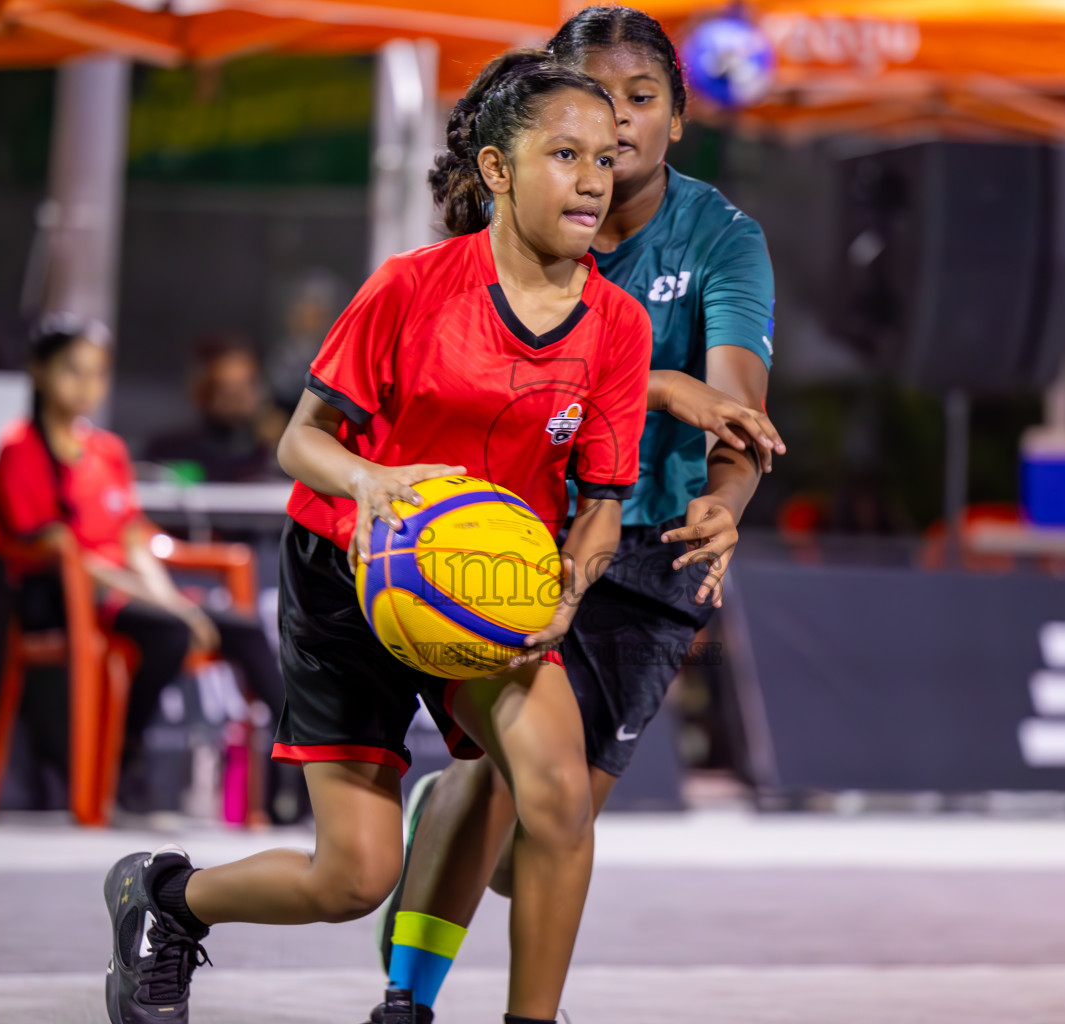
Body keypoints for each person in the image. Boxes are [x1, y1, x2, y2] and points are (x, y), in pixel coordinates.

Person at [101, 51, 653, 1024]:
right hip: (348, 569)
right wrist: (374, 482)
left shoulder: (616, 325)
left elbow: (602, 495)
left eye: (604, 158)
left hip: (484, 580)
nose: (591, 178)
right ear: (495, 169)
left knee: (559, 795)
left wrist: (576, 575)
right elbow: (298, 440)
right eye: (564, 154)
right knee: (351, 879)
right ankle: (165, 898)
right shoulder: (410, 288)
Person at [369, 9, 784, 1021]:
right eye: (600, 103)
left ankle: (452, 807)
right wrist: (664, 385)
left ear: (678, 119)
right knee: (519, 787)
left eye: (643, 101)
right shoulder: (527, 217)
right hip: (532, 533)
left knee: (537, 845)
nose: (622, 125)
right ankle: (405, 1002)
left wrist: (724, 506)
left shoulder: (724, 239)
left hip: (658, 558)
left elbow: (739, 412)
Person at [0, 315, 284, 813]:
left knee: (242, 627)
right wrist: (173, 610)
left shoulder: (108, 450)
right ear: (39, 372)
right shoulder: (19, 448)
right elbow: (61, 550)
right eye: (72, 371)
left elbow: (133, 538)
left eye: (97, 373)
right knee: (169, 632)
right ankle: (124, 757)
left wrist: (174, 601)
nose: (86, 386)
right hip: (61, 593)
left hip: (133, 594)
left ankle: (293, 772)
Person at [143, 333, 282, 483]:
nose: (234, 400)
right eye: (224, 388)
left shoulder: (273, 457)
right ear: (201, 388)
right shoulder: (167, 452)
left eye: (243, 387)